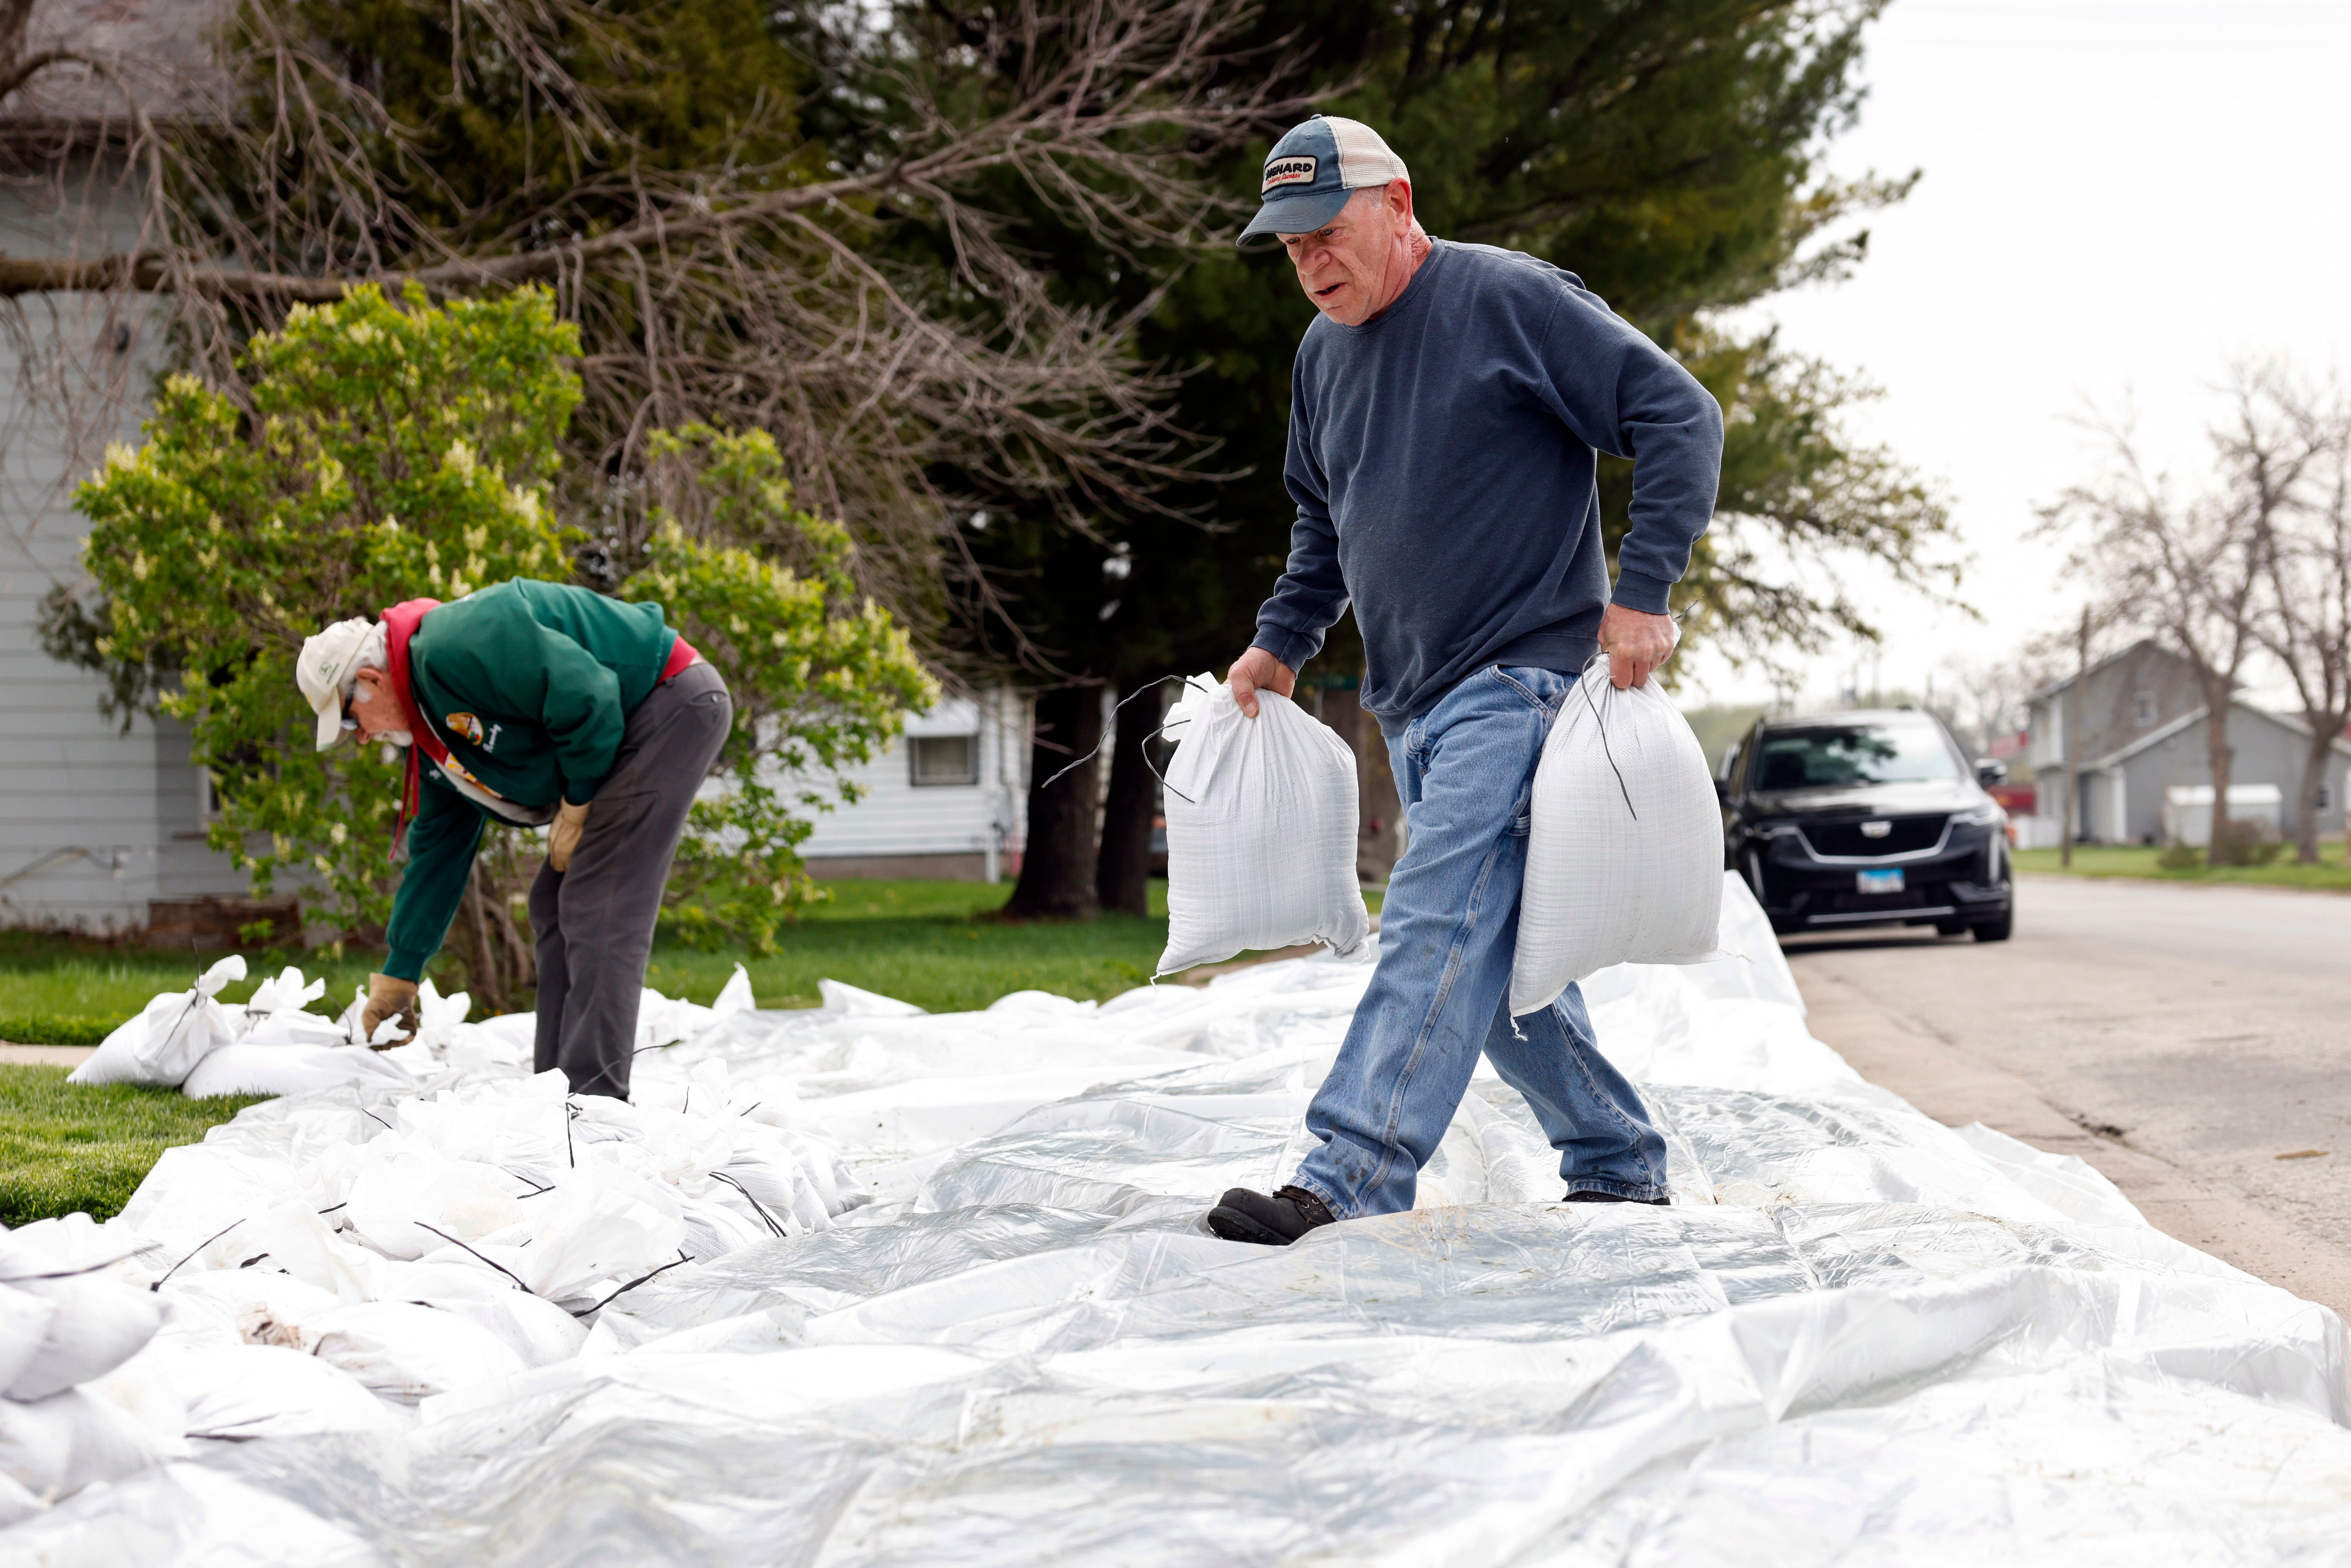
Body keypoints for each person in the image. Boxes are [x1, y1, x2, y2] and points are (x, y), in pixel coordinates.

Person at [1204, 115, 1723, 1246]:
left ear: (1397, 204)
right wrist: (1280, 641)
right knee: (1482, 964)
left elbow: (1679, 414)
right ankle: (1618, 1161)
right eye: (1288, 248)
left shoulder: (1505, 301)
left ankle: (1345, 1176)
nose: (1309, 262)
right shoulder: (1320, 357)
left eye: (1326, 233)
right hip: (1412, 705)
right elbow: (1320, 522)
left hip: (1521, 681)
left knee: (1434, 925)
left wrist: (1641, 594)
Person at [295, 578, 732, 1099]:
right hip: (631, 727)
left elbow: (587, 692)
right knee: (551, 901)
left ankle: (595, 1102)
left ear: (370, 679)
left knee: (600, 899)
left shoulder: (453, 646)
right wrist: (401, 975)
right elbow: (438, 852)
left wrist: (578, 805)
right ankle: (554, 1089)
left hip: (669, 701)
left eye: (351, 719)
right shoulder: (432, 733)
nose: (361, 736)